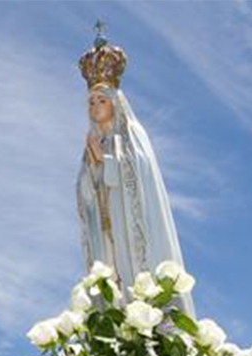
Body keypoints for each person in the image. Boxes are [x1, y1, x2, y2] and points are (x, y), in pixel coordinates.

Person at [77, 27, 194, 315]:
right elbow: (85, 194)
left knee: (139, 289)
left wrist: (107, 165)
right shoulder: (92, 142)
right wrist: (92, 175)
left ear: (115, 104)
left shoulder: (131, 135)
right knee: (110, 290)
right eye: (91, 102)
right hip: (106, 232)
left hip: (132, 231)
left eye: (101, 100)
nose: (95, 107)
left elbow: (141, 174)